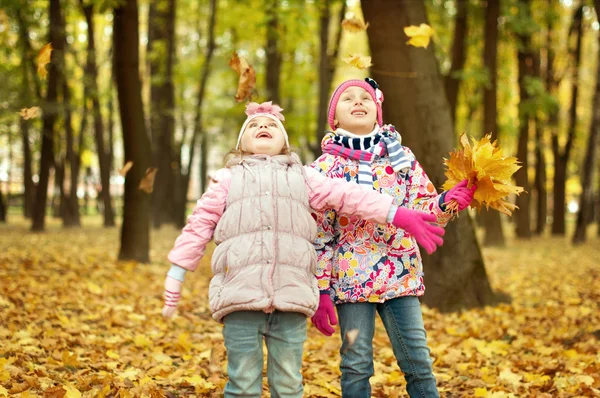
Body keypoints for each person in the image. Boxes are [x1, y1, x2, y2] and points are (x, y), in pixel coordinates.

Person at [161, 101, 445, 398]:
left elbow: (349, 196)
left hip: (290, 297)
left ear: (285, 143)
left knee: (288, 385)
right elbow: (199, 225)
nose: (263, 127)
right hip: (239, 296)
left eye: (271, 125)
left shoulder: (305, 178)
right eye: (254, 126)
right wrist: (177, 272)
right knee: (242, 382)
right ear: (240, 145)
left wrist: (395, 214)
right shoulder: (226, 180)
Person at [310, 78, 476, 398]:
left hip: (400, 272)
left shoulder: (401, 158)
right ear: (334, 117)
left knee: (417, 360)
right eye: (348, 99)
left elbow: (423, 209)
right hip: (351, 278)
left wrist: (447, 202)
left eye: (366, 98)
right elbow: (320, 234)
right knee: (356, 363)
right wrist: (321, 289)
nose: (358, 102)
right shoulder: (324, 168)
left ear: (378, 112)